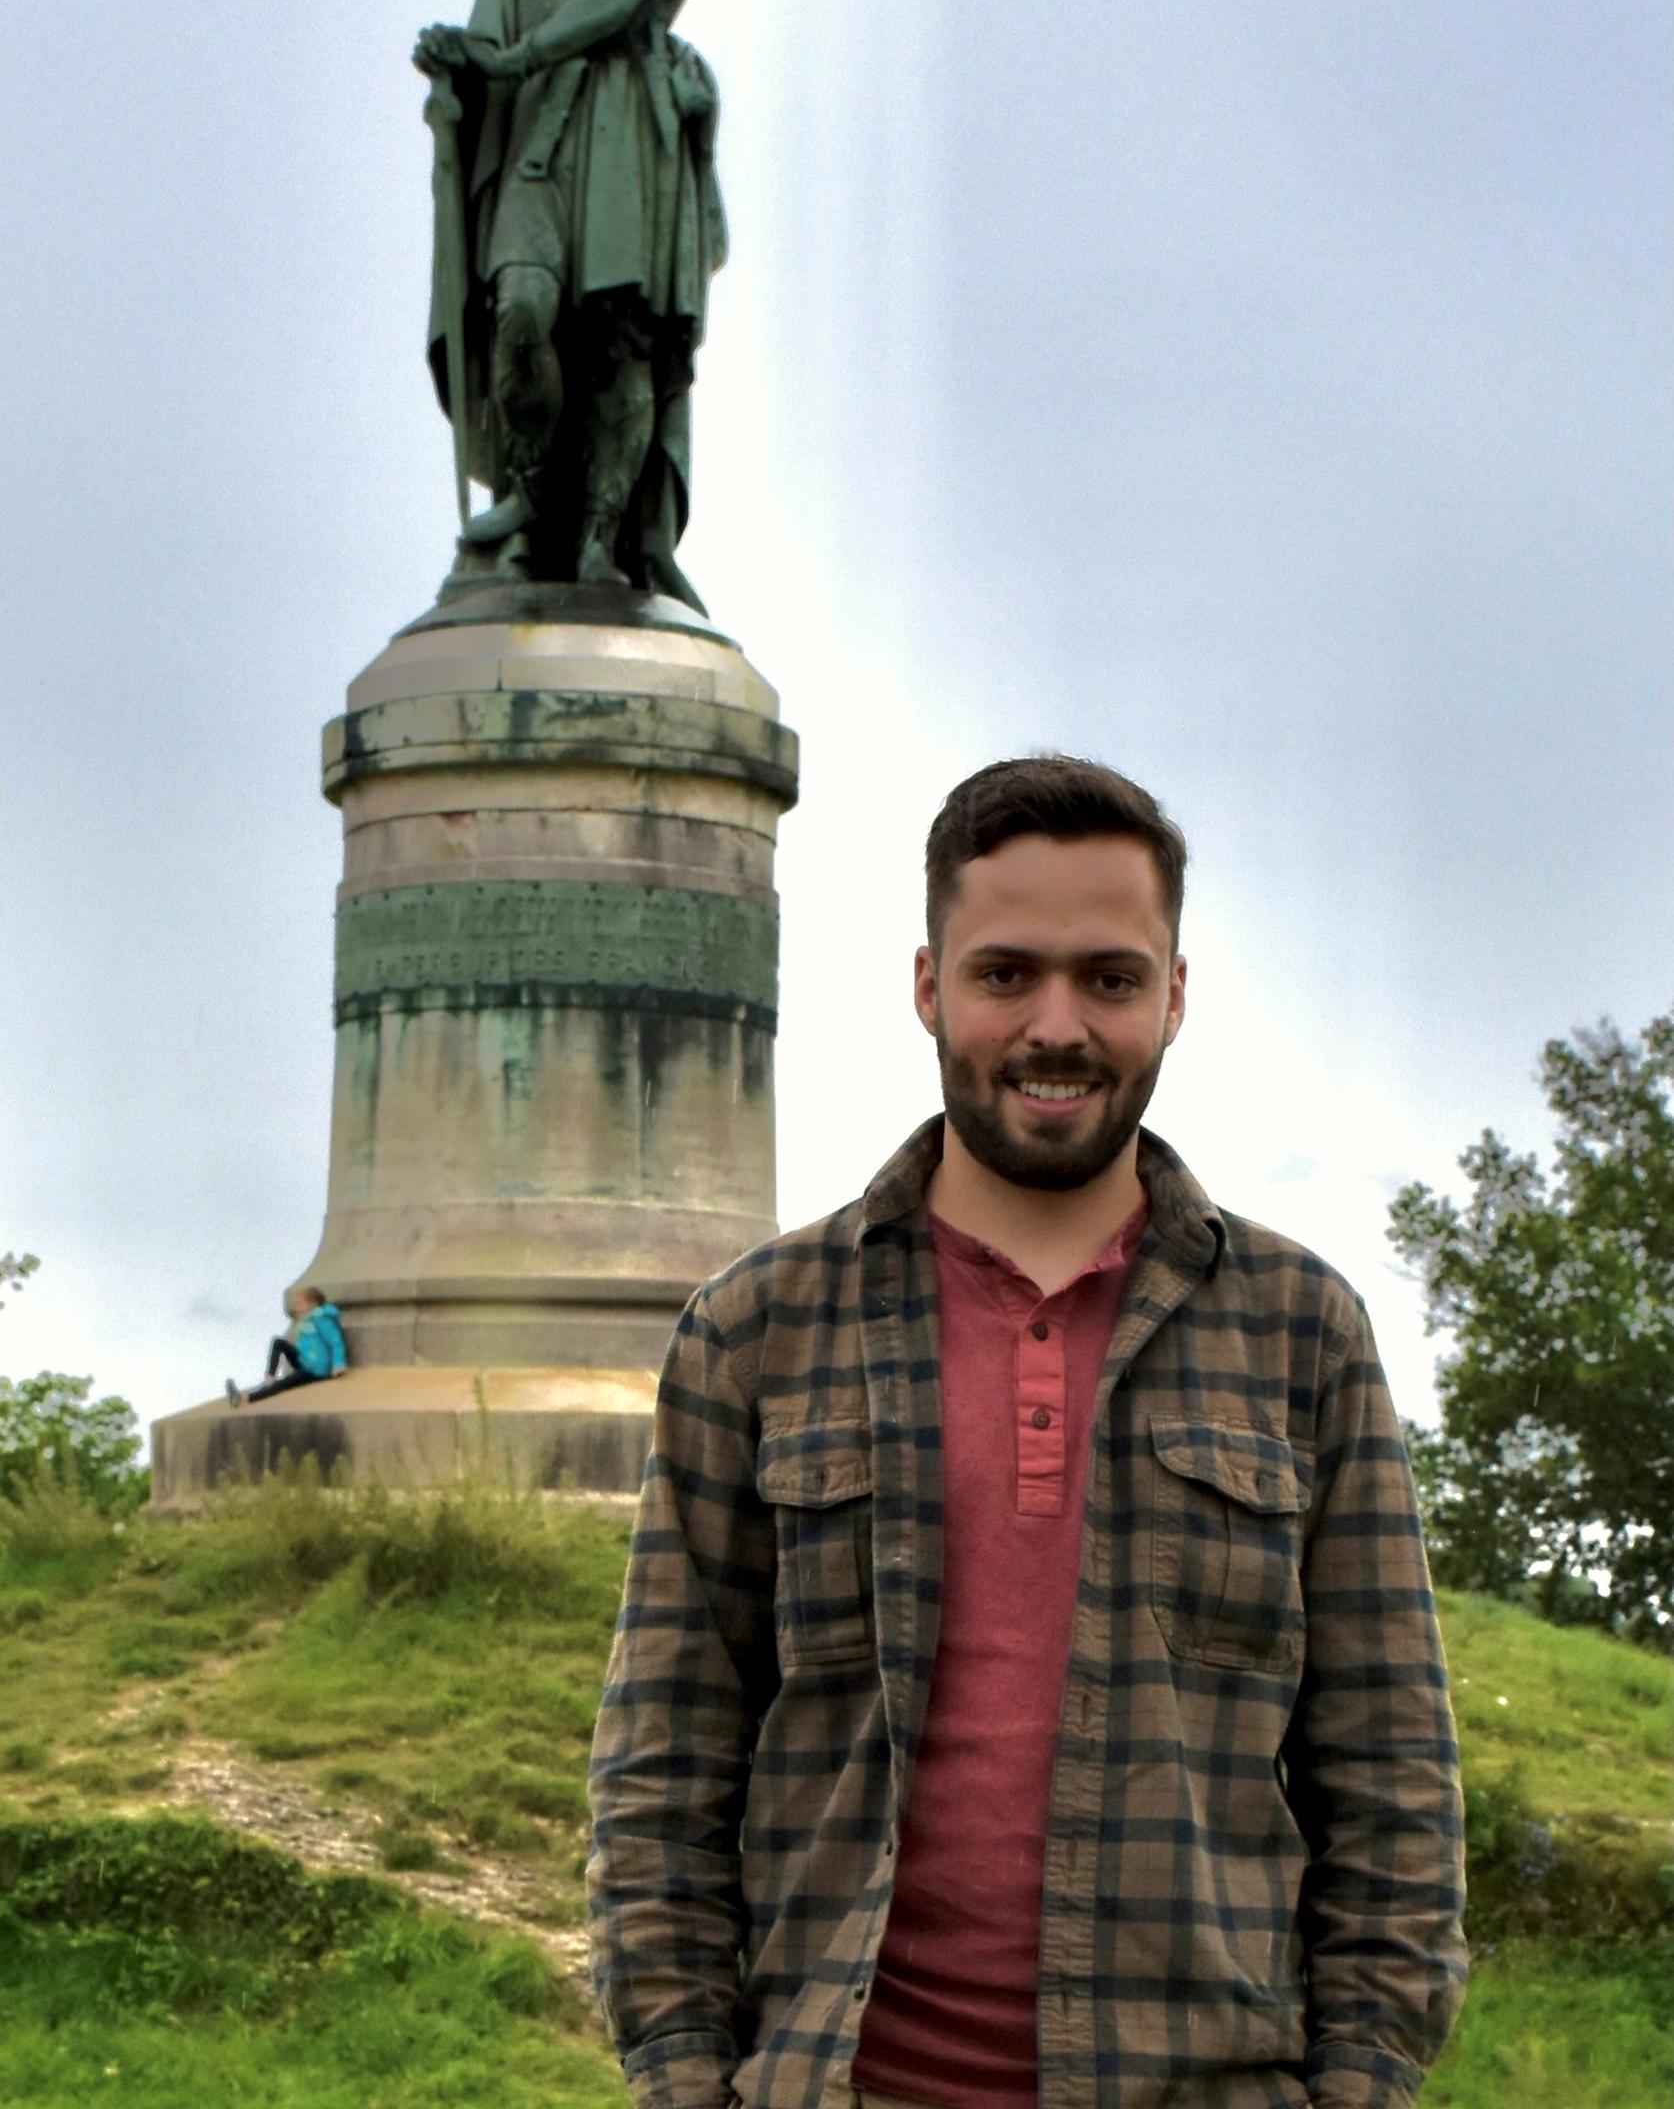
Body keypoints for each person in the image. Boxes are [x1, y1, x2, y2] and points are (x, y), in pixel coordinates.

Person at [586, 756, 1468, 2109]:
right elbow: (663, 1766)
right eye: (1006, 975)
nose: (1056, 1026)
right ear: (928, 983)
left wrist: (1359, 2082)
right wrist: (684, 2074)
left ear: (1173, 994)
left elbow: (1390, 1779)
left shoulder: (1303, 1333)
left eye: (1109, 978)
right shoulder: (753, 1332)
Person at [412, 0, 726, 607]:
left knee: (618, 340)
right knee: (521, 313)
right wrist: (459, 60)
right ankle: (533, 498)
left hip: (626, 125)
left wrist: (511, 60)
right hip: (531, 142)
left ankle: (600, 540)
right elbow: (490, 28)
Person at [226, 1286, 348, 1407]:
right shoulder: (307, 1319)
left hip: (317, 1370)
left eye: (299, 1304)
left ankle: (245, 1399)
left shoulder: (321, 1319)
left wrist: (338, 1365)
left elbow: (336, 1341)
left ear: (312, 1304)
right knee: (278, 1342)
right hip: (305, 1361)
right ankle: (270, 1378)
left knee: (285, 1383)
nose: (296, 1307)